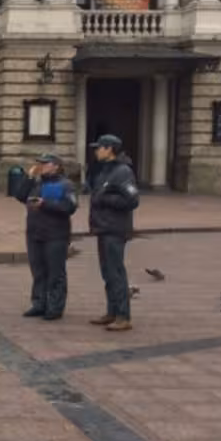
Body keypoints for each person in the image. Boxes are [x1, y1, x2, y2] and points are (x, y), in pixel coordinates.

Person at [15, 154, 78, 321]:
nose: (41, 166)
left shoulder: (65, 184)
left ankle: (55, 307)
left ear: (56, 166)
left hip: (56, 234)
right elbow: (20, 196)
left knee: (55, 272)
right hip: (35, 233)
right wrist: (29, 177)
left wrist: (45, 204)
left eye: (45, 163)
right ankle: (39, 304)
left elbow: (70, 207)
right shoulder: (37, 183)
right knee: (38, 271)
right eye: (39, 163)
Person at [88, 134, 139, 332]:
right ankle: (112, 311)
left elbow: (132, 200)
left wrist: (105, 199)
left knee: (116, 272)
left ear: (109, 149)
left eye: (99, 147)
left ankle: (123, 316)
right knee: (107, 273)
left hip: (114, 229)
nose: (96, 151)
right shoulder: (105, 170)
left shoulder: (122, 171)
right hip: (103, 227)